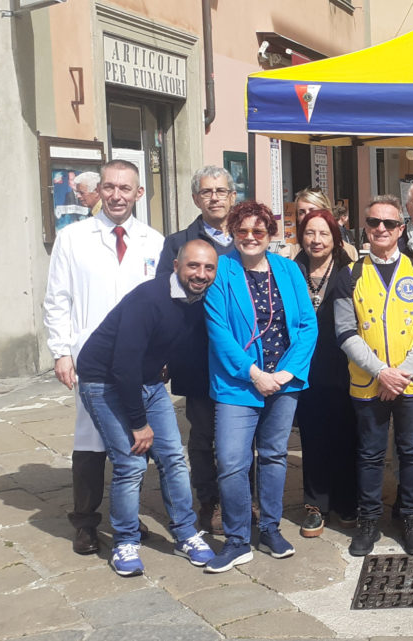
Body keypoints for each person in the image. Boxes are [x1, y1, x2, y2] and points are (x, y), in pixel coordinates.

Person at [43, 159, 165, 556]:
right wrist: (62, 351)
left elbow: (162, 305)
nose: (116, 195)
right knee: (91, 439)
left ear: (138, 194)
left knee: (135, 437)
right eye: (110, 187)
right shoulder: (74, 238)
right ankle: (85, 522)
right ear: (100, 191)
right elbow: (57, 297)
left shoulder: (154, 242)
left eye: (125, 189)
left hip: (139, 362)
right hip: (89, 359)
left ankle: (126, 521)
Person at [75, 240, 219, 575]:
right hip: (105, 381)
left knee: (172, 457)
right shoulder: (149, 298)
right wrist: (139, 424)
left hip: (148, 380)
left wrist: (165, 364)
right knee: (131, 463)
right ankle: (125, 541)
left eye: (208, 268)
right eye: (193, 266)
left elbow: (183, 340)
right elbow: (123, 365)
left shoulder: (198, 300)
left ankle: (185, 533)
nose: (200, 274)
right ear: (176, 266)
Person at [203, 201, 318, 573]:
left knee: (272, 456)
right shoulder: (222, 272)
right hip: (238, 383)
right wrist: (254, 374)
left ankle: (269, 528)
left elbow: (306, 326)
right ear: (233, 233)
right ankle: (237, 539)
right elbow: (218, 332)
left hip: (283, 382)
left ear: (270, 235)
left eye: (259, 231)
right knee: (233, 462)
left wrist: (286, 374)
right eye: (242, 231)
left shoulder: (288, 270)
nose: (250, 238)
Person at [336, 195, 413, 557]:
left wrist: (403, 373)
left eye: (390, 223)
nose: (381, 229)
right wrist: (381, 372)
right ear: (364, 227)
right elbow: (345, 332)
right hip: (368, 381)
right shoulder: (349, 275)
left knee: (412, 451)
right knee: (369, 453)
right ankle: (369, 520)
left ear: (401, 229)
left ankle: (411, 517)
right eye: (374, 222)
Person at [157, 166, 238, 535]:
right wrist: (161, 354)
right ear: (195, 199)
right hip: (197, 354)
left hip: (241, 355)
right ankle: (211, 500)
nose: (215, 197)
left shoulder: (247, 238)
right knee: (203, 434)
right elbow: (164, 301)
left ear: (232, 196)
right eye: (207, 192)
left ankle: (242, 496)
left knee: (241, 432)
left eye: (221, 191)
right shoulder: (176, 243)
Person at [293, 208, 357, 538]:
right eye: (310, 233)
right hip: (304, 369)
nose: (316, 240)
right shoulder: (290, 271)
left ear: (335, 239)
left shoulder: (350, 272)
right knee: (313, 437)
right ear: (301, 236)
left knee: (347, 436)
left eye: (324, 234)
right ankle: (315, 505)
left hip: (345, 367)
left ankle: (347, 501)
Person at [293, 188, 358, 262]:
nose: (307, 216)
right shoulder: (290, 254)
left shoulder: (348, 250)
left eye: (312, 211)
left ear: (326, 213)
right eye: (301, 212)